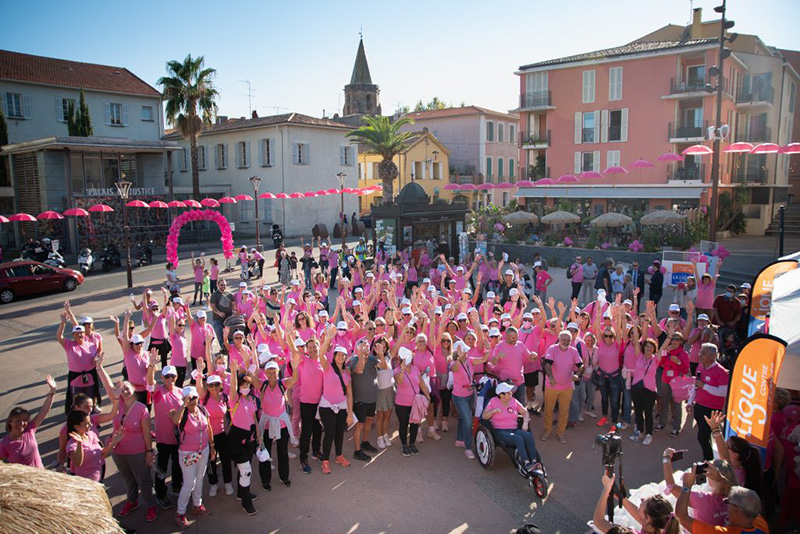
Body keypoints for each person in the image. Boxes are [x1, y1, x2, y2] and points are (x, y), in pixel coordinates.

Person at [111, 381, 158, 522]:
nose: (124, 392)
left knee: (144, 480)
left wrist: (149, 451)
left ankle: (151, 505)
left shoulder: (141, 409)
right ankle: (132, 501)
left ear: (134, 389)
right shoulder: (116, 405)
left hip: (137, 451)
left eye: (127, 388)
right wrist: (99, 368)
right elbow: (106, 384)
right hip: (118, 451)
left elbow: (146, 432)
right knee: (128, 478)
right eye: (121, 390)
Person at [171, 385, 214, 528]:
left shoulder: (202, 409)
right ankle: (180, 513)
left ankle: (197, 504)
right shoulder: (182, 413)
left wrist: (212, 446)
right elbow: (175, 421)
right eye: (189, 398)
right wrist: (183, 405)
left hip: (204, 450)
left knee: (200, 479)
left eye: (194, 397)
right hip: (188, 453)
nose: (192, 401)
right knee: (189, 483)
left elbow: (209, 427)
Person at [675, 470, 769, 534]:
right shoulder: (761, 523)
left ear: (734, 509)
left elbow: (681, 516)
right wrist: (721, 479)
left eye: (727, 502)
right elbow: (744, 496)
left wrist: (686, 486)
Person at [146, 350, 184, 510]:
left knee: (177, 464)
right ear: (162, 378)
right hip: (163, 439)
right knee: (161, 469)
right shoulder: (159, 392)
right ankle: (161, 494)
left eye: (173, 376)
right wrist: (151, 366)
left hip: (178, 439)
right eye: (167, 376)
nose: (170, 379)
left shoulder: (181, 392)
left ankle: (176, 486)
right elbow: (149, 383)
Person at [663, 448, 735, 526]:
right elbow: (726, 459)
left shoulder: (703, 499)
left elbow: (671, 486)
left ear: (711, 482)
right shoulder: (738, 497)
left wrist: (666, 459)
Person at [593, 472, 680, 534]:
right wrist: (621, 498)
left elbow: (599, 521)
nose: (642, 499)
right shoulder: (664, 528)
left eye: (644, 502)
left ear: (648, 518)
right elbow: (643, 518)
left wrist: (606, 489)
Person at [254, 358, 294, 491]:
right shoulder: (262, 385)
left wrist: (296, 364)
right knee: (265, 452)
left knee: (282, 451)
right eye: (269, 373)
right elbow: (251, 378)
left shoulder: (283, 384)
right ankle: (265, 480)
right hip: (266, 425)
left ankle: (284, 477)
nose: (271, 375)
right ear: (265, 373)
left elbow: (295, 378)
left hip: (282, 424)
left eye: (274, 372)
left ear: (278, 372)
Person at [227, 358, 260, 515]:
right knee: (246, 471)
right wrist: (234, 372)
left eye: (247, 385)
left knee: (245, 469)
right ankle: (246, 503)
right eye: (243, 385)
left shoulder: (252, 400)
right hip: (236, 440)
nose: (245, 388)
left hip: (251, 439)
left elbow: (254, 418)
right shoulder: (234, 401)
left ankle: (242, 493)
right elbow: (233, 389)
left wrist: (259, 437)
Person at [482, 382, 540, 471]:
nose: (511, 393)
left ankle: (534, 461)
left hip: (514, 428)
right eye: (508, 392)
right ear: (501, 395)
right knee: (518, 438)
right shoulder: (493, 401)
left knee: (528, 435)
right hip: (500, 431)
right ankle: (526, 463)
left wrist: (525, 423)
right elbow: (484, 416)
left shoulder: (513, 400)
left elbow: (525, 412)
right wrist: (493, 411)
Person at [1, 375, 57, 468]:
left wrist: (52, 392)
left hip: (42, 477)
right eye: (18, 420)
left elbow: (44, 411)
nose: (22, 424)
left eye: (25, 420)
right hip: (24, 482)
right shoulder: (4, 444)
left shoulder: (30, 430)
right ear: (10, 422)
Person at [705, 412, 764, 498]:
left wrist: (715, 429)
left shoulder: (735, 474)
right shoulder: (741, 470)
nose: (723, 447)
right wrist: (715, 429)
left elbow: (725, 457)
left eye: (726, 446)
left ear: (735, 455)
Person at [317, 339, 354, 474]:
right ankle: (325, 460)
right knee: (330, 433)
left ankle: (339, 456)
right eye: (338, 355)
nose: (341, 357)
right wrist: (329, 337)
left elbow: (349, 394)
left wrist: (350, 413)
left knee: (339, 432)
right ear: (334, 356)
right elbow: (321, 354)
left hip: (342, 406)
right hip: (327, 406)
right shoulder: (327, 367)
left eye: (343, 355)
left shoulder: (346, 374)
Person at [687, 343, 729, 461]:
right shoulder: (700, 366)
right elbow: (696, 386)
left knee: (702, 436)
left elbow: (723, 392)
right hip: (699, 406)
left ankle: (708, 461)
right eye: (700, 352)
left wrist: (704, 386)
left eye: (703, 353)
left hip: (712, 410)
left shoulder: (721, 372)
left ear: (713, 356)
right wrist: (690, 402)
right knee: (704, 435)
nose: (700, 355)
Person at [542, 330, 583, 444]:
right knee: (548, 410)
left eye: (568, 340)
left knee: (564, 411)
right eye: (564, 340)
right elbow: (547, 364)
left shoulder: (573, 351)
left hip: (567, 386)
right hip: (552, 386)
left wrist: (577, 374)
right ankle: (547, 430)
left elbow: (581, 365)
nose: (566, 342)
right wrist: (550, 377)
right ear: (559, 340)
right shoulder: (552, 349)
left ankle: (560, 432)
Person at [56, 312, 99, 415]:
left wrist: (96, 359)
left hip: (90, 378)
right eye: (77, 333)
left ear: (84, 334)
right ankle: (78, 420)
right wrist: (63, 324)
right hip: (76, 380)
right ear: (73, 335)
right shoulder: (69, 344)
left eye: (81, 333)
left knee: (90, 401)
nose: (79, 335)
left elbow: (97, 355)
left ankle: (92, 420)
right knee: (77, 403)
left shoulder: (91, 345)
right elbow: (59, 336)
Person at [65, 409, 123, 482]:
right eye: (87, 423)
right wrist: (79, 443)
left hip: (98, 479)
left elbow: (102, 454)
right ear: (76, 427)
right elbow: (78, 463)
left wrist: (114, 442)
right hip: (85, 484)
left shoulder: (91, 434)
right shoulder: (72, 445)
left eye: (90, 422)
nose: (90, 425)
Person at [629, 327, 663, 446]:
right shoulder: (639, 355)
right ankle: (639, 431)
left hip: (649, 389)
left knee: (648, 412)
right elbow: (637, 340)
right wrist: (637, 324)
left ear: (654, 349)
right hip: (636, 387)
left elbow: (663, 347)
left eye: (651, 347)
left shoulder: (656, 359)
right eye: (647, 346)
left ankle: (649, 434)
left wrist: (669, 336)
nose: (649, 348)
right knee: (638, 410)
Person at [394, 347, 431, 457]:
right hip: (401, 403)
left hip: (415, 403)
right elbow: (399, 381)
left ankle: (412, 444)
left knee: (415, 423)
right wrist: (402, 369)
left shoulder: (415, 369)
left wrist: (428, 397)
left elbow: (421, 384)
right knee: (403, 424)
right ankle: (404, 445)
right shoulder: (397, 370)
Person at [349, 338, 379, 461]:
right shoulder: (353, 360)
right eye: (363, 347)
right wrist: (361, 356)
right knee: (359, 425)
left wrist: (381, 354)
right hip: (360, 400)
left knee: (369, 420)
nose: (366, 349)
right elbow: (359, 370)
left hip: (372, 399)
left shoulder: (372, 359)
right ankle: (357, 450)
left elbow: (384, 366)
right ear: (357, 349)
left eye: (367, 347)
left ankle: (365, 442)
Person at [451, 340, 476, 458]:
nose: (466, 353)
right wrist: (459, 359)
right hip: (459, 396)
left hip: (470, 394)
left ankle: (459, 440)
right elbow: (455, 369)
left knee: (463, 418)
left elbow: (484, 358)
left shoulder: (470, 360)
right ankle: (468, 447)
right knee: (468, 421)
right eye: (463, 351)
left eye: (465, 351)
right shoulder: (453, 363)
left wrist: (487, 349)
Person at [373, 336, 395, 449]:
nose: (382, 347)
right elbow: (384, 367)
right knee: (380, 417)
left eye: (384, 346)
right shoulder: (373, 359)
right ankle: (379, 437)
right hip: (380, 391)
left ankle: (385, 435)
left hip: (390, 390)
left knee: (387, 416)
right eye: (380, 345)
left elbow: (399, 340)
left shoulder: (388, 356)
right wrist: (380, 354)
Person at [209, 278, 234, 352]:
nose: (223, 286)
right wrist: (219, 313)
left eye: (225, 285)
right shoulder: (215, 295)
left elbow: (233, 303)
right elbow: (212, 306)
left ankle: (229, 348)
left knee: (229, 335)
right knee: (220, 335)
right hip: (218, 319)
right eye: (221, 285)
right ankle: (223, 349)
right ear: (218, 285)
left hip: (228, 319)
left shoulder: (229, 294)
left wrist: (234, 311)